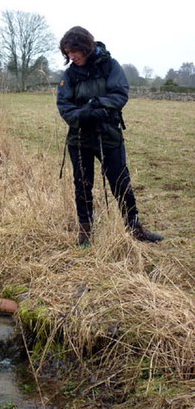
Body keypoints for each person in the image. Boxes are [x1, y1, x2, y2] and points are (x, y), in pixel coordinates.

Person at [56, 26, 163, 246]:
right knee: (82, 184)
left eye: (74, 51)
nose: (71, 56)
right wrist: (83, 115)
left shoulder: (110, 66)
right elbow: (64, 105)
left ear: (85, 47)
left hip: (108, 133)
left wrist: (98, 105)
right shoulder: (69, 74)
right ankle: (85, 234)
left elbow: (120, 93)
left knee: (121, 182)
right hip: (79, 137)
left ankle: (135, 228)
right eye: (67, 52)